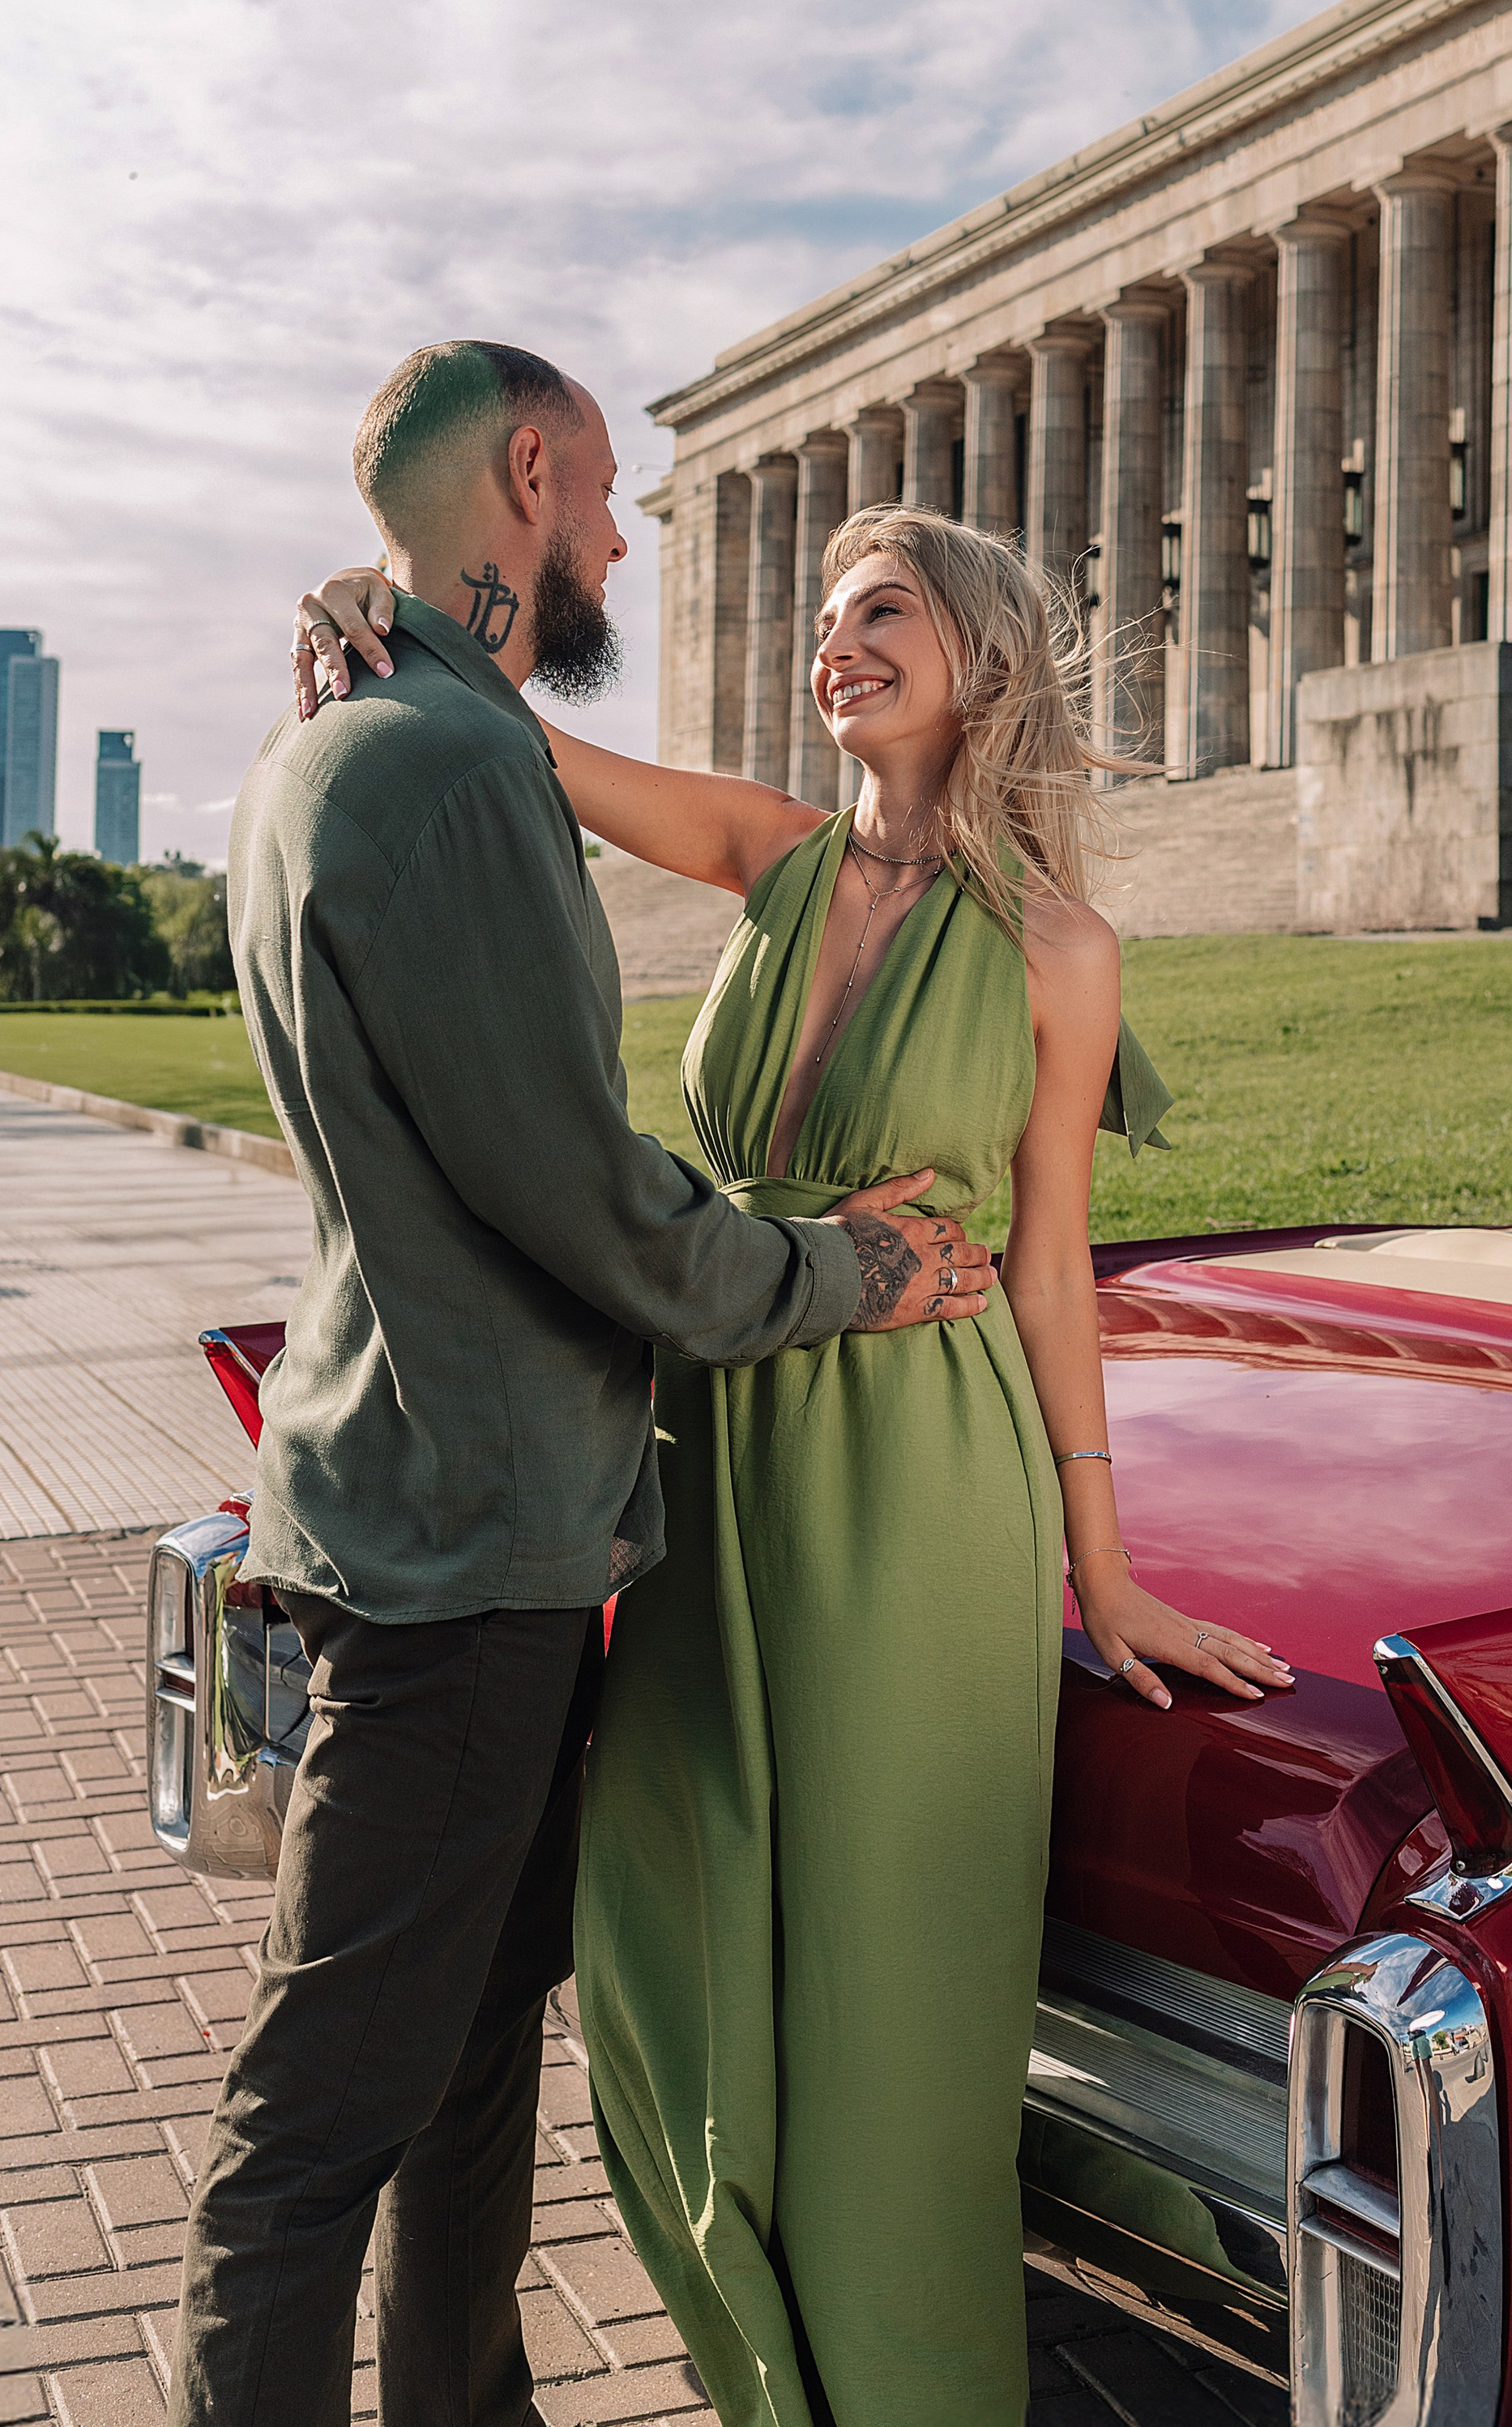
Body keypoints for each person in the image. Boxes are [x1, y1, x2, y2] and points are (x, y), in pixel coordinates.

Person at [295, 498, 1292, 2427]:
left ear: (977, 649)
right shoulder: (766, 854)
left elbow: (1056, 1265)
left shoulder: (1057, 952)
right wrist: (387, 616)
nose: (833, 642)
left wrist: (1105, 1562)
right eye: (826, 617)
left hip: (924, 1489)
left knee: (890, 1996)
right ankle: (754, 2352)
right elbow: (538, 751)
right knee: (664, 1941)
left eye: (882, 611)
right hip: (714, 1433)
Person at [175, 342, 996, 2427]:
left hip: (458, 1503)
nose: (626, 535)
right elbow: (592, 1205)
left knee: (461, 2057)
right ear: (525, 475)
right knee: (315, 2124)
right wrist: (846, 1267)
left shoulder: (350, 744)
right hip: (465, 1547)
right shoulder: (436, 773)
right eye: (609, 491)